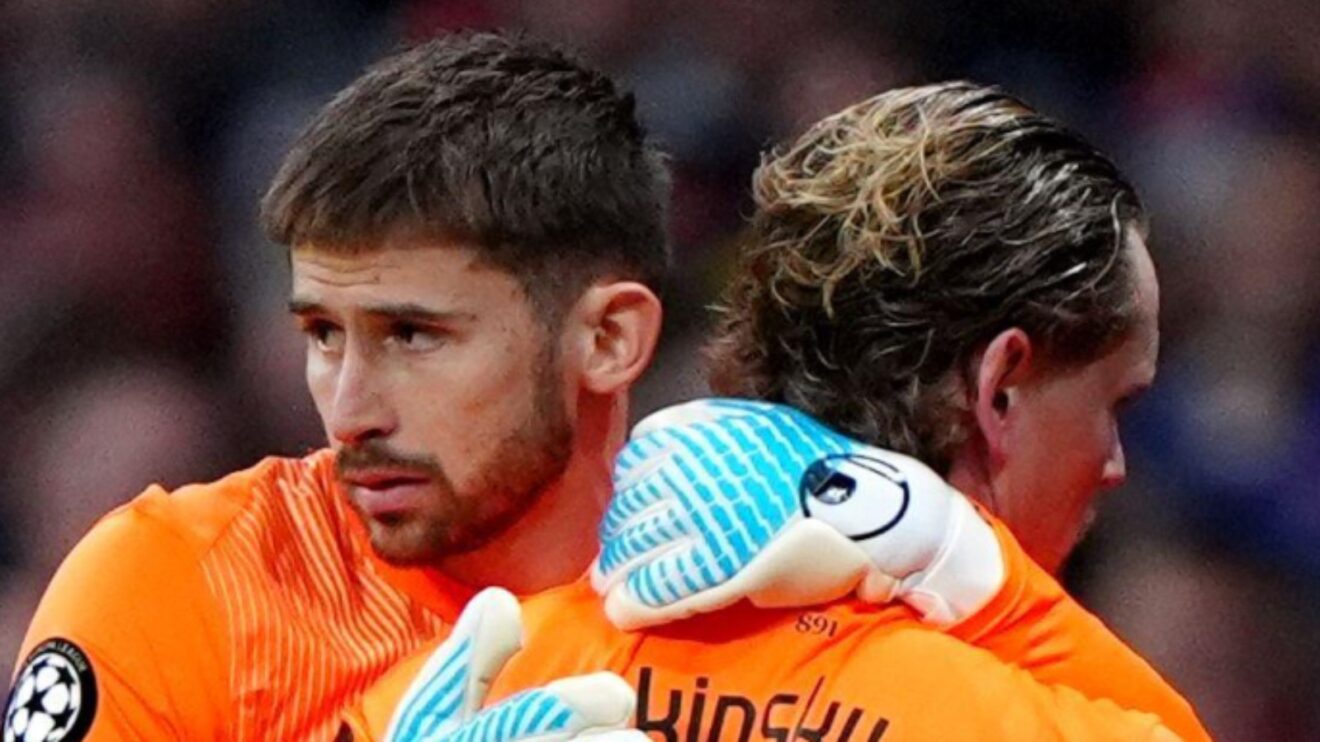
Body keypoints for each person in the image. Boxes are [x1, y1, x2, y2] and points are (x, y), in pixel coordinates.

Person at [350, 82, 1210, 741]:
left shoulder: (479, 682)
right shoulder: (1036, 719)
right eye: (1114, 404)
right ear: (1000, 390)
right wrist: (984, 583)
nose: (1114, 463)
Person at [4, 31, 673, 741]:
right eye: (323, 333)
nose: (351, 412)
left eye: (413, 335)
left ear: (607, 339)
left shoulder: (763, 606)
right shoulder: (176, 587)